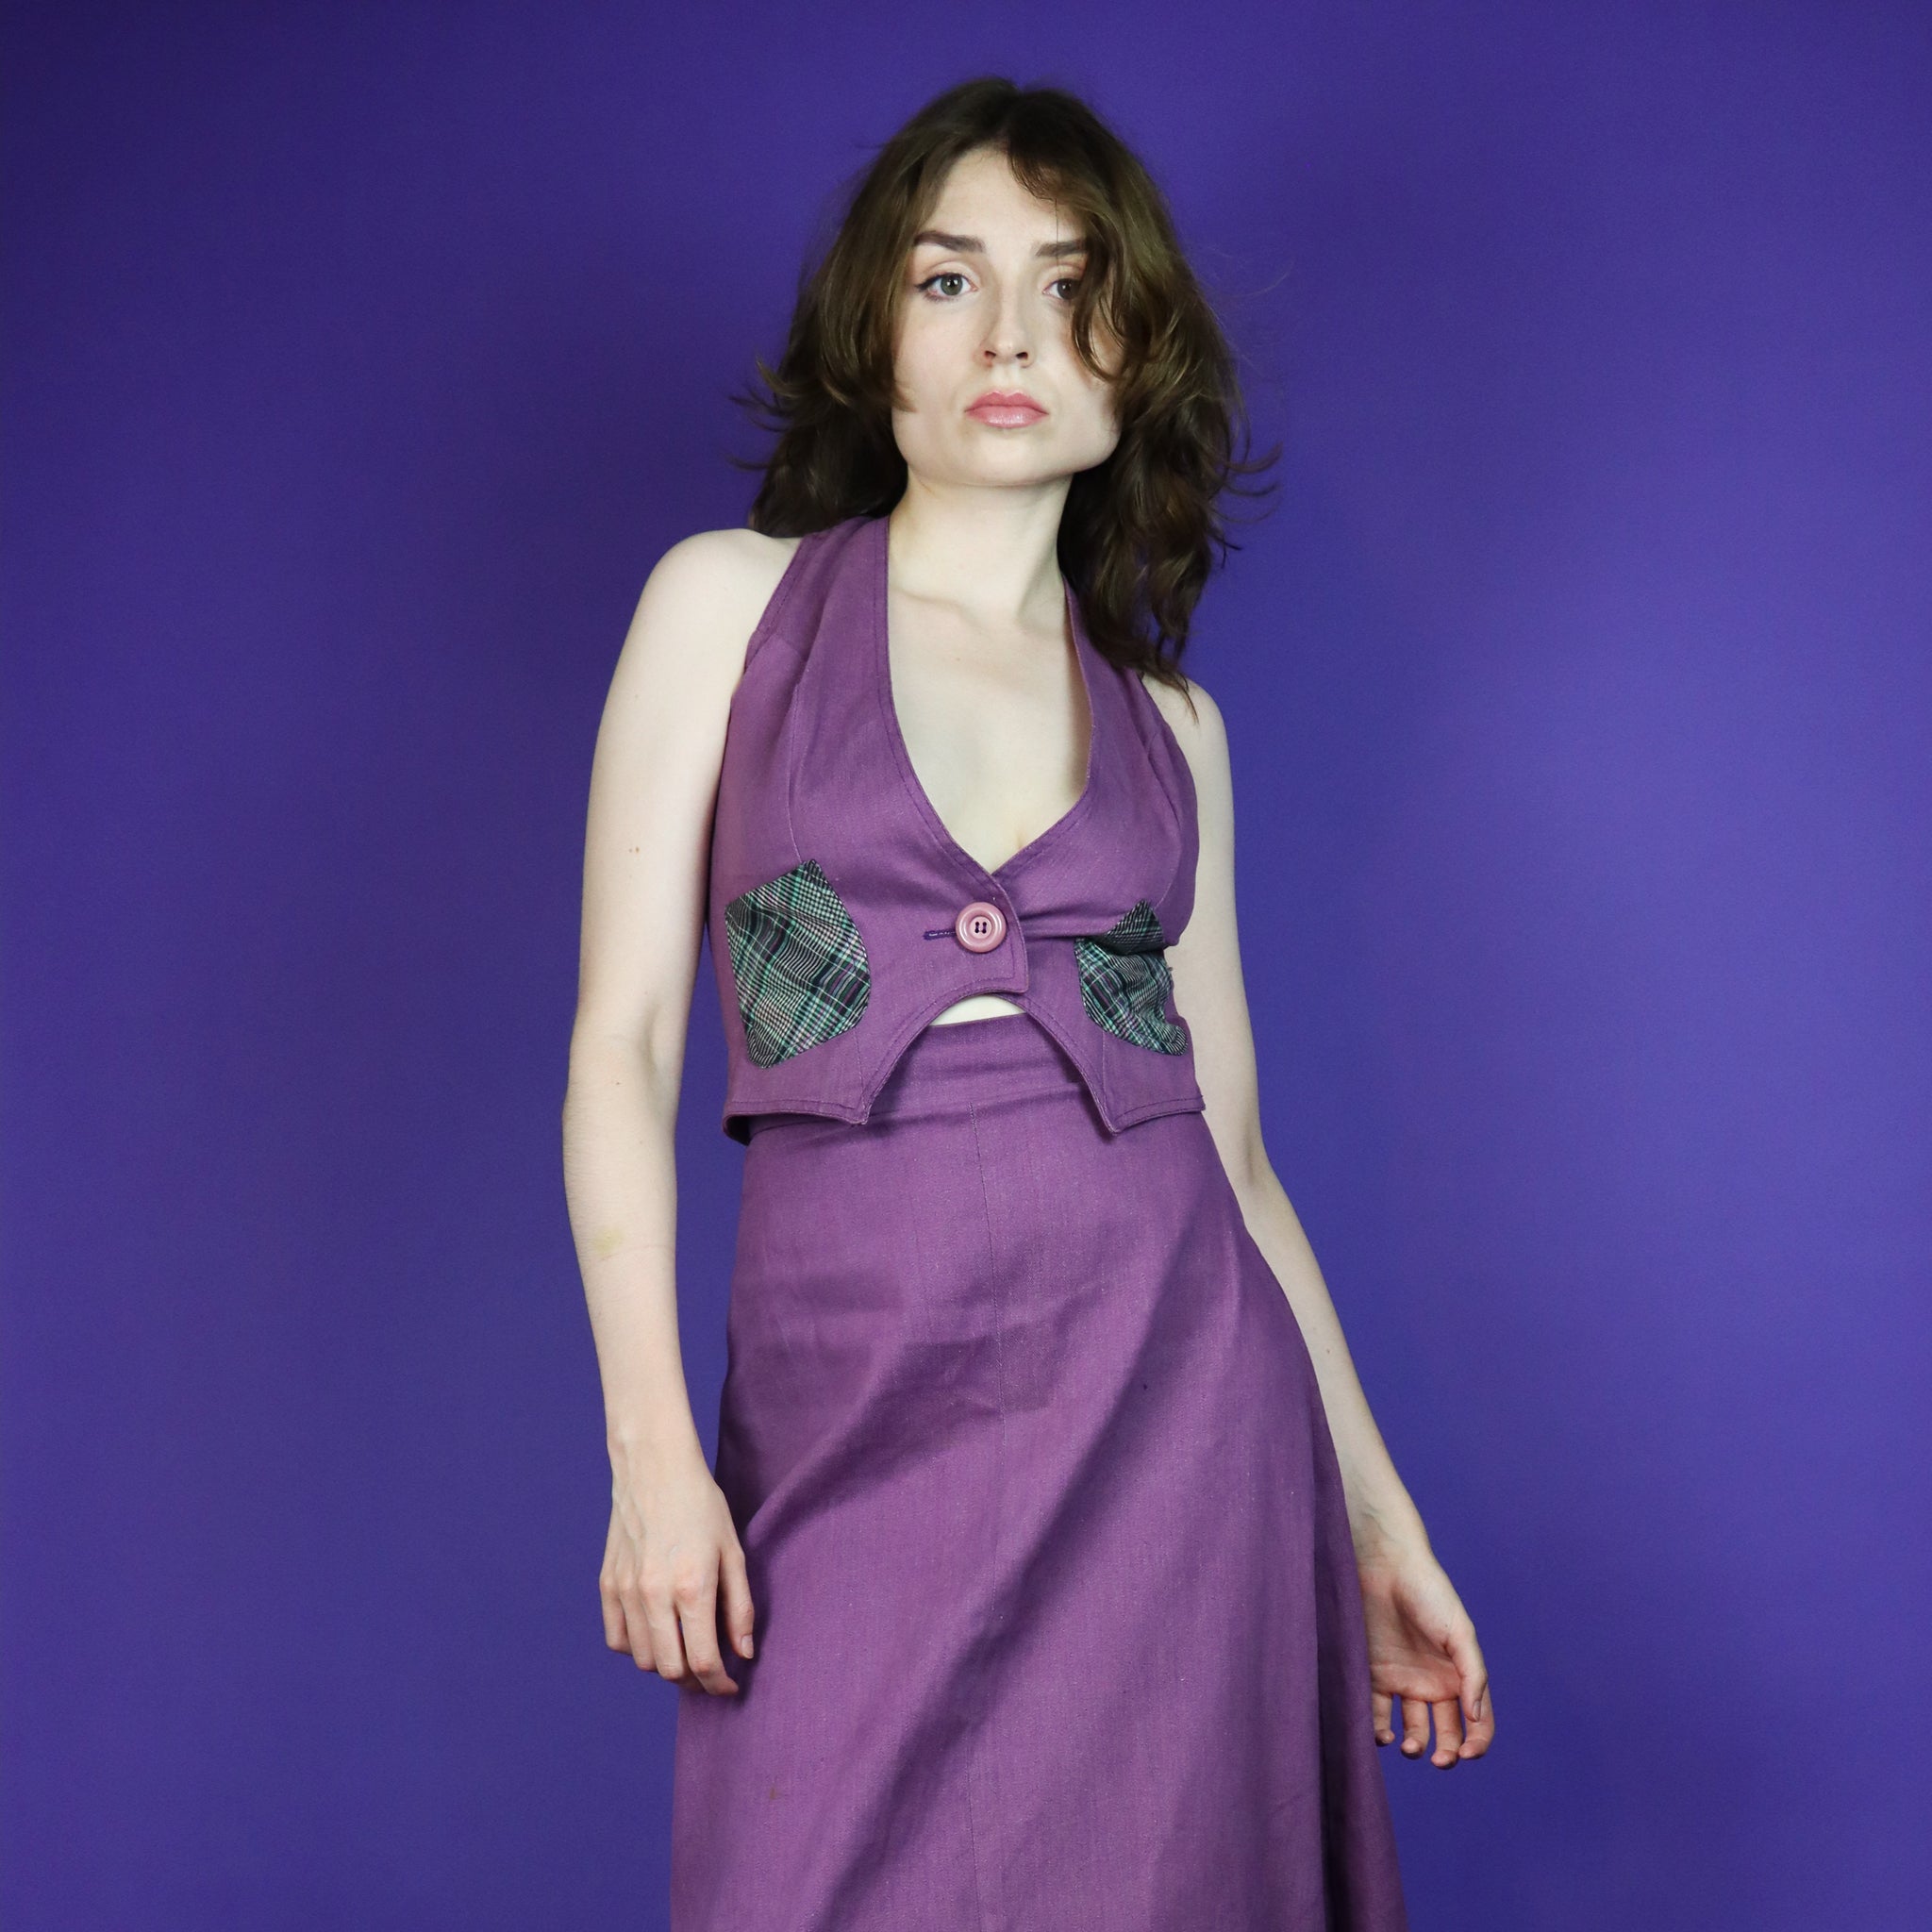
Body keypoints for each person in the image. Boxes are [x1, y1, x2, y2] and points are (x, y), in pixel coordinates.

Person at [561, 75, 1492, 1931]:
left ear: (1136, 354)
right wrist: (650, 1455)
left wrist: (1377, 1521)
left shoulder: (1176, 733)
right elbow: (624, 1047)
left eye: (1070, 287)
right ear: (873, 332)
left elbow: (1236, 1161)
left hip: (1176, 1427)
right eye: (948, 280)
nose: (1009, 335)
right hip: (844, 1415)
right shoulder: (728, 612)